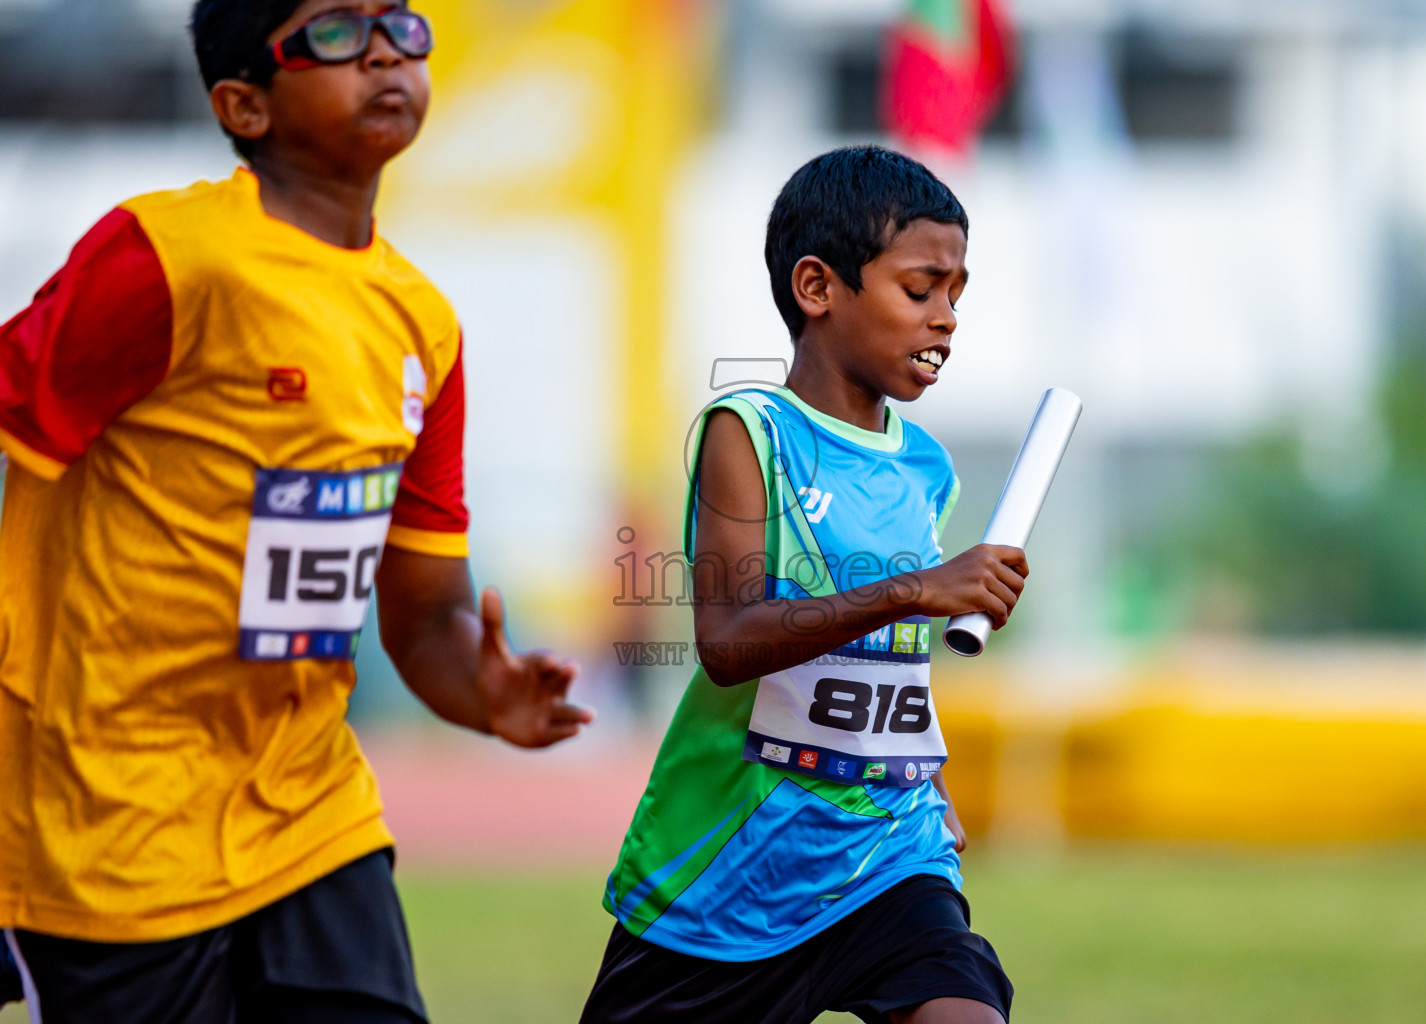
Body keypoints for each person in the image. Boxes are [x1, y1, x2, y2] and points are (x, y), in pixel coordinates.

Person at [0, 2, 592, 1021]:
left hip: (310, 809)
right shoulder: (168, 257)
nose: (380, 51)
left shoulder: (423, 324)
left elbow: (421, 612)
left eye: (399, 25)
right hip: (113, 817)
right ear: (244, 103)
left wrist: (482, 690)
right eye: (332, 33)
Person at [582, 146, 1028, 1024]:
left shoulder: (925, 467)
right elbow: (728, 643)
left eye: (957, 294)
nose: (946, 319)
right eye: (920, 289)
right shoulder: (749, 434)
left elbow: (890, 667)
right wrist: (915, 591)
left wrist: (927, 787)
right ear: (818, 288)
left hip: (885, 852)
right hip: (729, 871)